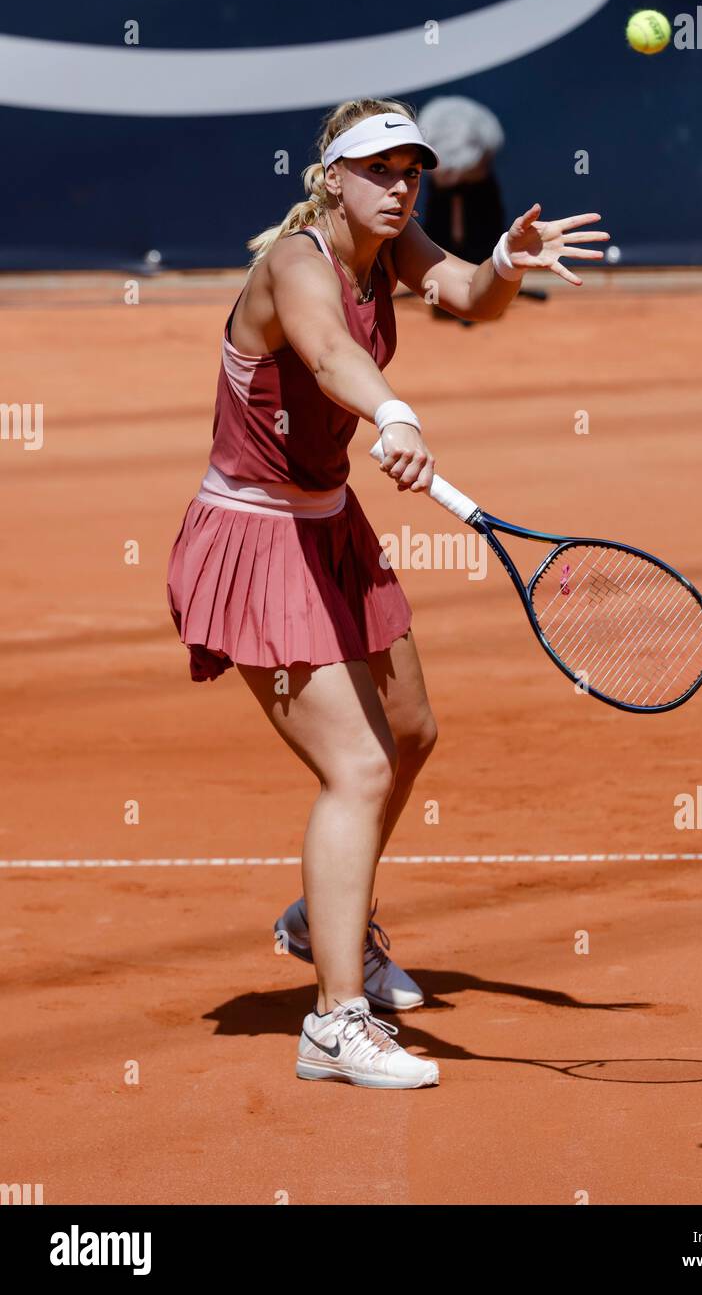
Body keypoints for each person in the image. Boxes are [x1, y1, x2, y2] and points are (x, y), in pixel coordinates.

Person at [166, 96, 609, 1089]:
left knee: (409, 730)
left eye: (411, 168)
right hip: (255, 538)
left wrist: (502, 264)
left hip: (330, 525)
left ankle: (319, 921)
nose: (400, 185)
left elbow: (464, 291)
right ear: (331, 176)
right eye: (378, 168)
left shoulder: (391, 244)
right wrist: (395, 412)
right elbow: (328, 353)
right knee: (359, 769)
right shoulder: (294, 264)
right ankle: (334, 1022)